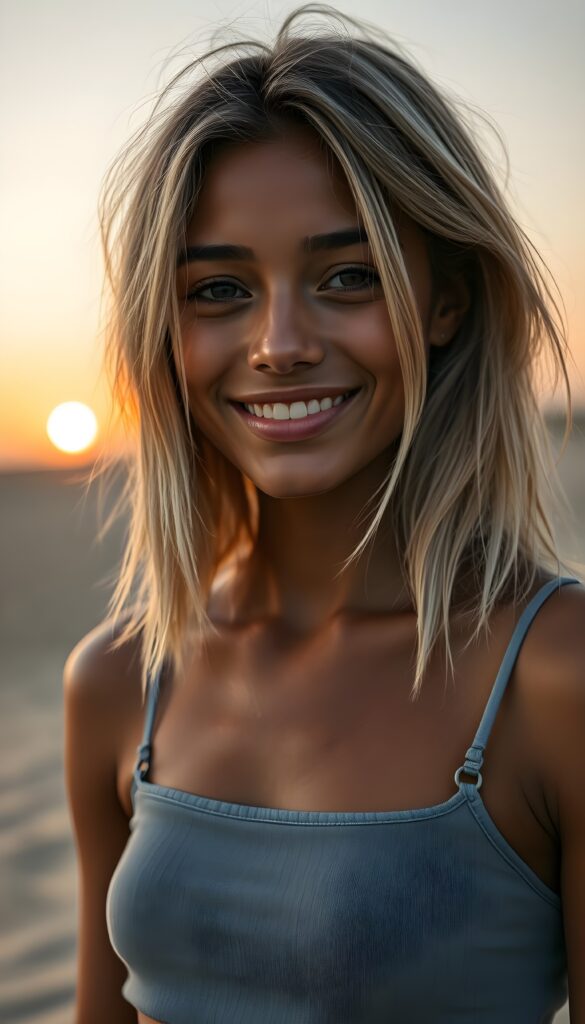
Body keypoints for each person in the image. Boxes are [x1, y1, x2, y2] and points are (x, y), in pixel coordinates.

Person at [63, 5, 585, 1022]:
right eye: (219, 290)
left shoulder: (554, 674)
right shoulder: (121, 678)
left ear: (447, 302)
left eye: (347, 276)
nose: (280, 343)